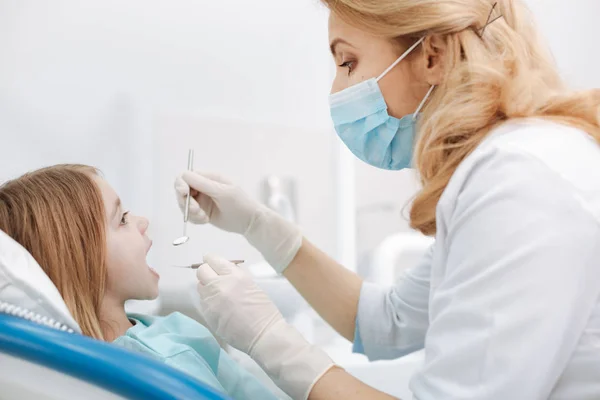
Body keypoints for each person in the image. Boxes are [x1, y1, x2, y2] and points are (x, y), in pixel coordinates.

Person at [174, 0, 600, 399]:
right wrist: (257, 224)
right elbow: (387, 321)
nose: (337, 89)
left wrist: (268, 339)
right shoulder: (504, 168)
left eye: (347, 62)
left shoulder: (518, 183)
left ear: (432, 56)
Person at [0, 164, 281, 400]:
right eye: (122, 219)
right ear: (81, 258)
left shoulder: (170, 331)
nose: (142, 221)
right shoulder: (164, 358)